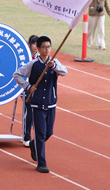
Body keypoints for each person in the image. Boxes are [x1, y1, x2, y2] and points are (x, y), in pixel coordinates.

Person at [12, 36, 68, 173]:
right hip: (37, 104)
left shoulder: (55, 63)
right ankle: (41, 163)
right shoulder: (33, 64)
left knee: (49, 132)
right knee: (40, 134)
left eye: (48, 47)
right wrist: (28, 87)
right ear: (38, 49)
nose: (47, 49)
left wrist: (54, 66)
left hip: (51, 103)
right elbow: (17, 74)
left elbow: (64, 72)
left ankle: (33, 144)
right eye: (44, 47)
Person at [21, 35, 39, 147]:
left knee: (34, 113)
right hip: (26, 88)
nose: (36, 47)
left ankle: (30, 135)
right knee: (29, 112)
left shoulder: (39, 57)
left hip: (36, 89)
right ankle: (26, 136)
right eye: (34, 44)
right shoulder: (24, 57)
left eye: (37, 45)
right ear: (29, 44)